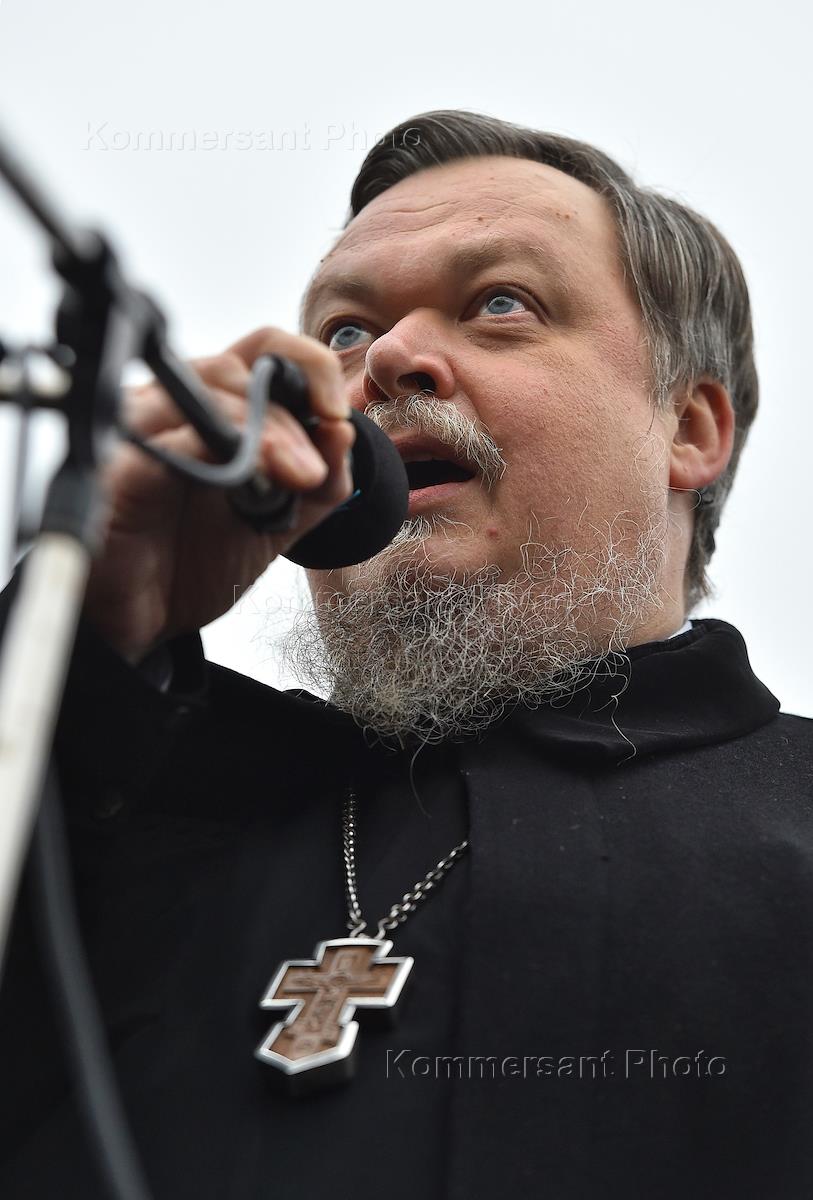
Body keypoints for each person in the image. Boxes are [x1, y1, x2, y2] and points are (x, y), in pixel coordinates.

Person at [1, 109, 811, 1199]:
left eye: (500, 304)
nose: (383, 359)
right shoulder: (112, 799)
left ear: (690, 428)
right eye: (344, 330)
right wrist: (88, 652)